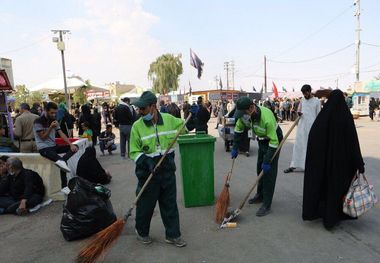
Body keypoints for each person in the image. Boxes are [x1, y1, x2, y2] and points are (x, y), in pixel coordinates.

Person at [130, 91, 186, 247]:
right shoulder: (137, 127)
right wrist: (146, 162)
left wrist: (189, 123)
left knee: (170, 204)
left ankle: (173, 235)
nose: (140, 112)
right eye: (139, 109)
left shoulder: (169, 120)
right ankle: (142, 232)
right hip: (147, 171)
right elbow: (133, 151)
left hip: (167, 169)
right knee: (145, 206)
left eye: (143, 109)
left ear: (153, 107)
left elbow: (185, 126)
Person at [303, 89, 365, 229]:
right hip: (342, 165)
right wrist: (359, 163)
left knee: (326, 188)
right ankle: (336, 215)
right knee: (338, 190)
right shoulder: (345, 117)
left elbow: (313, 138)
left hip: (324, 164)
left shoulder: (323, 117)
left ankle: (325, 215)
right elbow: (353, 141)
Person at [231, 97, 283, 216]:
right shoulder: (243, 117)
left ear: (251, 108)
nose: (242, 116)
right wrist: (235, 147)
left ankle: (266, 204)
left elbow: (274, 141)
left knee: (268, 172)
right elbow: (238, 130)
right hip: (261, 139)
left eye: (244, 113)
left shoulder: (266, 118)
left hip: (273, 139)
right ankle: (260, 195)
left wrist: (268, 160)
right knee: (259, 168)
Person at [33, 102, 78, 190]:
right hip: (44, 148)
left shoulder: (54, 120)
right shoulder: (38, 121)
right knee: (61, 163)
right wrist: (50, 127)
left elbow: (62, 134)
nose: (54, 115)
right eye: (52, 113)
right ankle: (64, 186)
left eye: (55, 113)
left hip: (54, 146)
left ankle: (63, 161)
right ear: (46, 111)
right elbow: (43, 137)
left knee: (76, 146)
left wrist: (71, 144)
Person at [284, 85, 321, 173]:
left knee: (310, 147)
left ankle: (310, 166)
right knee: (298, 146)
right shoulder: (302, 100)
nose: (304, 95)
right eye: (303, 93)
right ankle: (293, 165)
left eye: (306, 93)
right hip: (302, 127)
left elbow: (319, 115)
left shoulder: (317, 101)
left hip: (312, 127)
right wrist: (299, 113)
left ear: (310, 91)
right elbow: (299, 110)